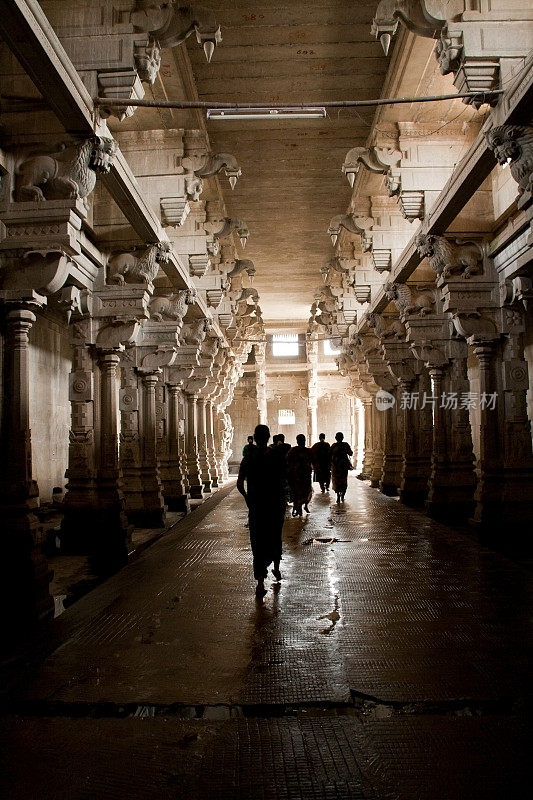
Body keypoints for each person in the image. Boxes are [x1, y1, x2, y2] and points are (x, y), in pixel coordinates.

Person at [237, 424, 286, 597]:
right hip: (274, 504)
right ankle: (276, 568)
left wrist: (248, 499)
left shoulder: (248, 457)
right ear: (268, 437)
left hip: (257, 506)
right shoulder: (276, 456)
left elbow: (239, 484)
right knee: (274, 536)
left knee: (257, 542)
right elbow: (282, 480)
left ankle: (260, 583)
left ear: (255, 438)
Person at [286, 433, 313, 517]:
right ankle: (300, 507)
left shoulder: (294, 451)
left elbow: (287, 461)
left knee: (300, 492)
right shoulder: (305, 451)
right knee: (302, 492)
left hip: (299, 475)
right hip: (300, 475)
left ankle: (300, 507)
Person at [330, 431, 353, 503]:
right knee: (343, 481)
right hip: (343, 466)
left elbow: (329, 455)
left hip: (336, 466)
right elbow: (351, 453)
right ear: (343, 438)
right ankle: (342, 495)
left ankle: (337, 497)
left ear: (335, 438)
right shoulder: (345, 445)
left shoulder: (334, 446)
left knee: (336, 481)